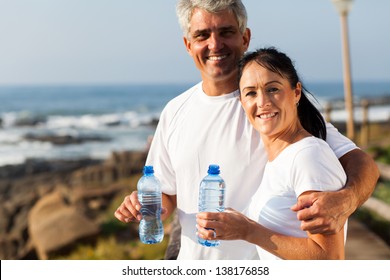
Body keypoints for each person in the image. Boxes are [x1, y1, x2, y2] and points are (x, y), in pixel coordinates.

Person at [114, 0, 379, 259]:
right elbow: (169, 192)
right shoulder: (175, 111)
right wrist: (147, 206)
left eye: (226, 32)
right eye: (202, 35)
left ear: (245, 37)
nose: (215, 44)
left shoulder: (272, 111)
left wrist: (347, 200)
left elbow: (362, 163)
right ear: (188, 44)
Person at [197, 47, 347, 260]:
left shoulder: (308, 156)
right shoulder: (280, 158)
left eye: (273, 89)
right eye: (251, 93)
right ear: (242, 102)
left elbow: (330, 257)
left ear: (296, 93)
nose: (263, 102)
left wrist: (247, 230)